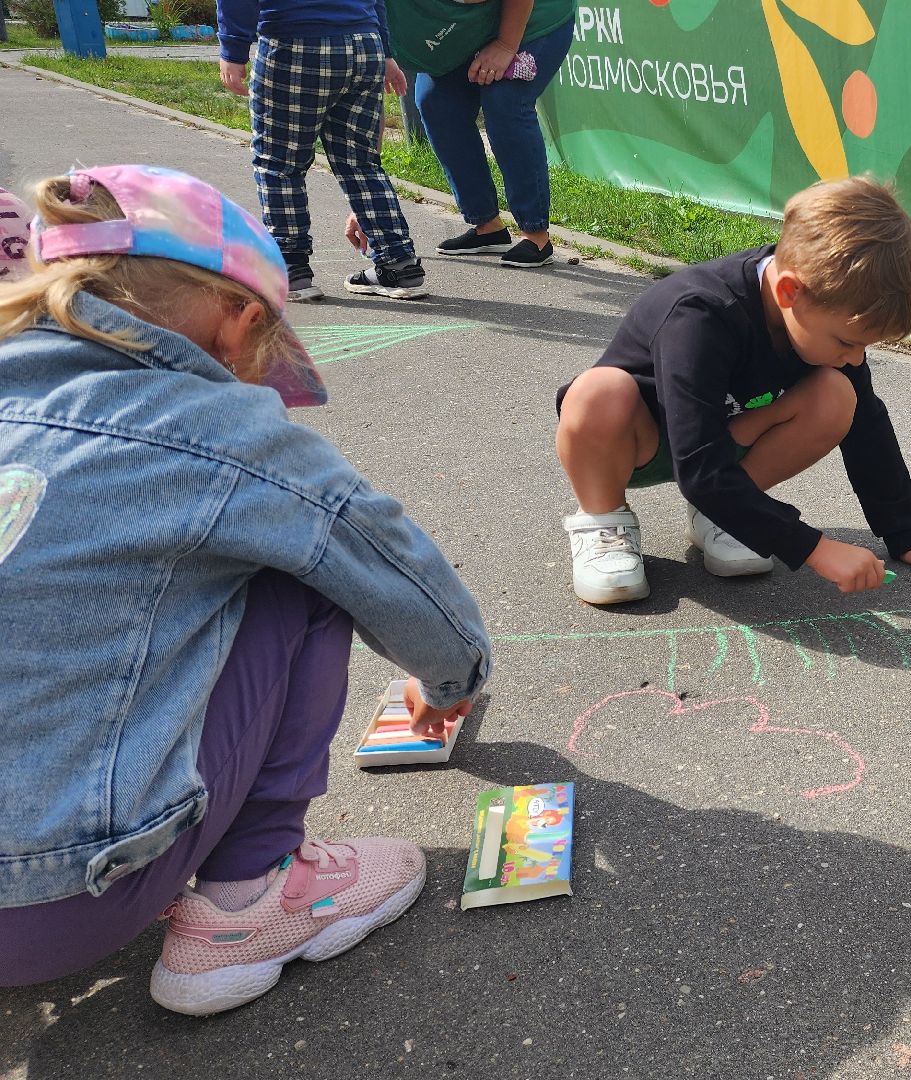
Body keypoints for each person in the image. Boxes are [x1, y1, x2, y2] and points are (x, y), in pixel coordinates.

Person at [0, 166, 491, 1013]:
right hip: (52, 906)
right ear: (240, 318)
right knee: (296, 570)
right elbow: (386, 561)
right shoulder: (219, 427)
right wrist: (454, 677)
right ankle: (248, 902)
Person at [553, 176, 911, 604]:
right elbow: (699, 466)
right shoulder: (700, 315)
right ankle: (603, 519)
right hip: (635, 444)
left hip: (723, 445)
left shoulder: (818, 310)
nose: (856, 357)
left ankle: (724, 516)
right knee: (598, 392)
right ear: (789, 291)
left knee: (839, 396)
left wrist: (901, 534)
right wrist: (813, 548)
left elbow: (867, 425)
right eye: (847, 342)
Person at [216, 0, 429, 300]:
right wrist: (384, 49)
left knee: (280, 163)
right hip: (363, 42)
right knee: (360, 162)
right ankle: (398, 263)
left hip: (295, 39)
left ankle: (291, 269)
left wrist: (233, 49)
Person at [388, 0, 577, 268]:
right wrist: (363, 196)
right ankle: (488, 227)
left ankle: (535, 234)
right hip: (467, 30)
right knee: (436, 102)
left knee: (504, 100)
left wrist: (505, 46)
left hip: (534, 19)